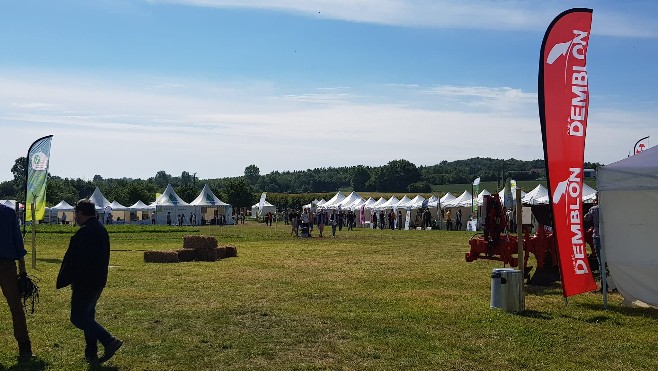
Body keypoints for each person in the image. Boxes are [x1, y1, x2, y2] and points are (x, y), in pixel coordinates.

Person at [57, 199, 123, 364]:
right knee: (88, 317)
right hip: (99, 280)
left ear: (80, 213)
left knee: (78, 318)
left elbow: (77, 260)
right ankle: (91, 353)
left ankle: (108, 340)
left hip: (85, 282)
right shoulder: (101, 229)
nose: (75, 217)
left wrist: (68, 277)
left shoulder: (84, 233)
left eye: (75, 214)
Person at [0, 204, 32, 361]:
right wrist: (22, 269)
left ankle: (24, 345)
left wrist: (23, 270)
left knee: (16, 307)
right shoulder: (9, 213)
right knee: (16, 307)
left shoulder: (9, 213)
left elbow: (17, 242)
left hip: (7, 265)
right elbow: (18, 242)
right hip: (7, 265)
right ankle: (25, 346)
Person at [584, 198, 602, 273]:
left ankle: (603, 279)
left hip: (597, 235)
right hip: (607, 235)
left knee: (600, 258)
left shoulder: (594, 208)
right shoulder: (608, 207)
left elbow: (586, 218)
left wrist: (593, 206)